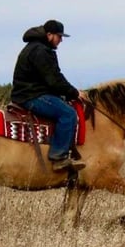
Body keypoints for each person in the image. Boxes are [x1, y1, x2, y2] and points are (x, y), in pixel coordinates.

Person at [11, 19, 88, 172]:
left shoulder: (37, 48)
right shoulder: (40, 51)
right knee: (68, 114)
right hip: (32, 96)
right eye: (59, 37)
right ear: (49, 35)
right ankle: (58, 157)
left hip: (31, 92)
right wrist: (74, 93)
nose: (60, 41)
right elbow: (54, 80)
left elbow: (54, 78)